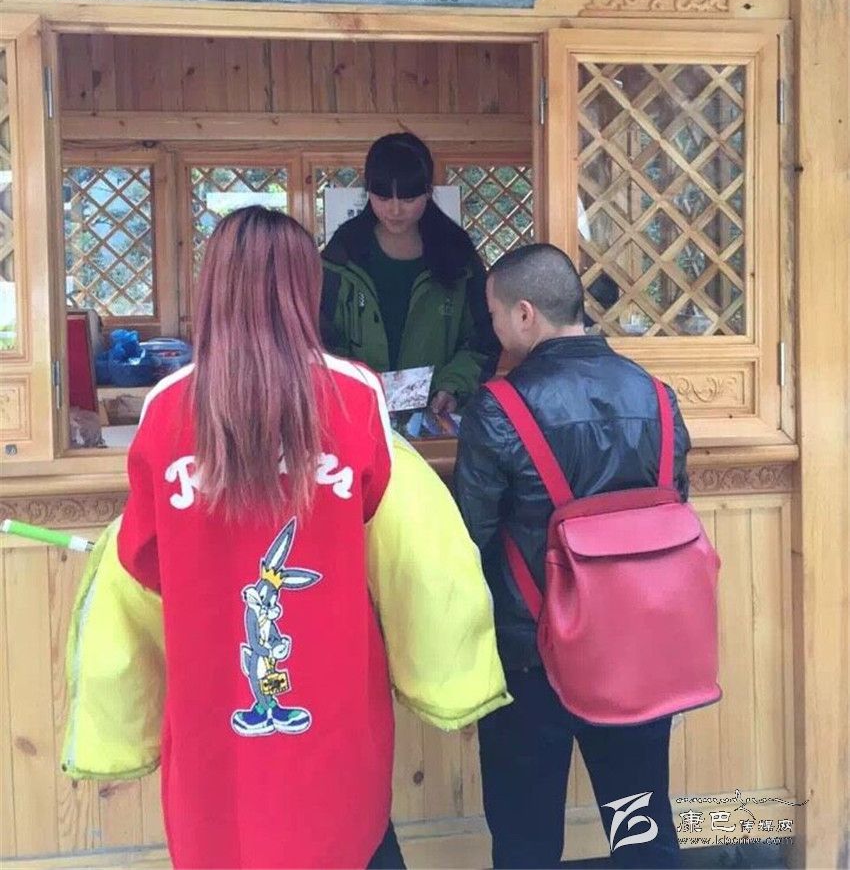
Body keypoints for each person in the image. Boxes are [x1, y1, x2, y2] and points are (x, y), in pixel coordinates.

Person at [115, 206, 509, 869]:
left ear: (213, 285)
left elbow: (142, 558)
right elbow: (392, 536)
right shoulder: (354, 395)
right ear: (307, 287)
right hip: (333, 690)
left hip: (212, 697)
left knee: (225, 839)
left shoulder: (165, 408)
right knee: (346, 834)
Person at [453, 243, 691, 870]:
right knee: (642, 832)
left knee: (526, 841)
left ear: (524, 314)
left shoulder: (497, 409)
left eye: (494, 314)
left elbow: (470, 537)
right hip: (637, 649)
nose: (493, 327)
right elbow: (675, 512)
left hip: (533, 659)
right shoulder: (658, 398)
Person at [320, 133, 499, 415]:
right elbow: (320, 338)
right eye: (382, 197)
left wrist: (452, 387)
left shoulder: (458, 254)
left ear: (428, 191)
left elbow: (483, 339)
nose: (394, 209)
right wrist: (353, 389)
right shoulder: (342, 254)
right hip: (357, 412)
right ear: (368, 192)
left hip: (434, 416)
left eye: (408, 197)